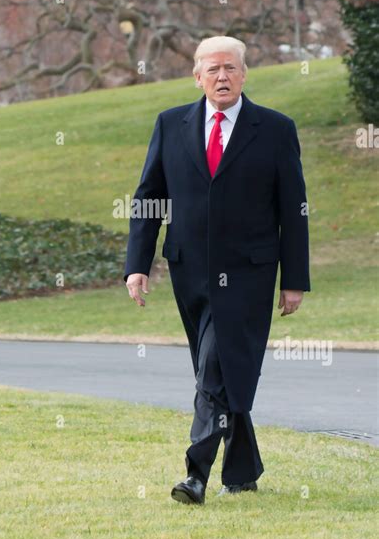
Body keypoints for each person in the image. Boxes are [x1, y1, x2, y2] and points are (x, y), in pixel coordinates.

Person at [123, 36, 310, 504]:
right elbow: (149, 198)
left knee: (214, 367)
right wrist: (137, 265)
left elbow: (294, 208)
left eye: (230, 68)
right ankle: (244, 468)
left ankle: (196, 474)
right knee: (224, 368)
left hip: (249, 272)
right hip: (190, 270)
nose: (222, 77)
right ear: (197, 76)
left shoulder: (274, 129)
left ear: (244, 74)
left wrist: (294, 279)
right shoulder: (170, 125)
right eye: (212, 69)